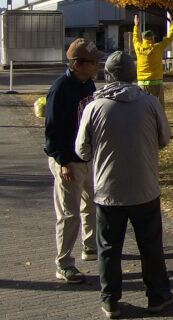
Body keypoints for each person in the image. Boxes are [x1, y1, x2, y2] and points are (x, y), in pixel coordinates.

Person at [75, 51, 173, 318]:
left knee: (108, 248)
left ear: (107, 75)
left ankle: (110, 300)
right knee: (151, 246)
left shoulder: (93, 107)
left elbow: (82, 150)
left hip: (108, 190)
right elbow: (165, 138)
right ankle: (158, 296)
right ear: (133, 74)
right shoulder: (150, 103)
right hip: (145, 187)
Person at [44, 38, 102, 284]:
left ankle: (90, 246)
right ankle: (64, 263)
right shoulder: (60, 89)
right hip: (68, 161)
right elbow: (52, 131)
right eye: (92, 62)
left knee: (91, 204)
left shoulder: (88, 84)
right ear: (77, 64)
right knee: (69, 214)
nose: (96, 66)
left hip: (87, 158)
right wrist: (63, 161)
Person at [132, 14, 173, 107]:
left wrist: (136, 26)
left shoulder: (138, 48)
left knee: (144, 108)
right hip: (156, 82)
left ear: (143, 39)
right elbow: (169, 38)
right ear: (152, 38)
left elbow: (135, 38)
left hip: (142, 83)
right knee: (158, 108)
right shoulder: (157, 47)